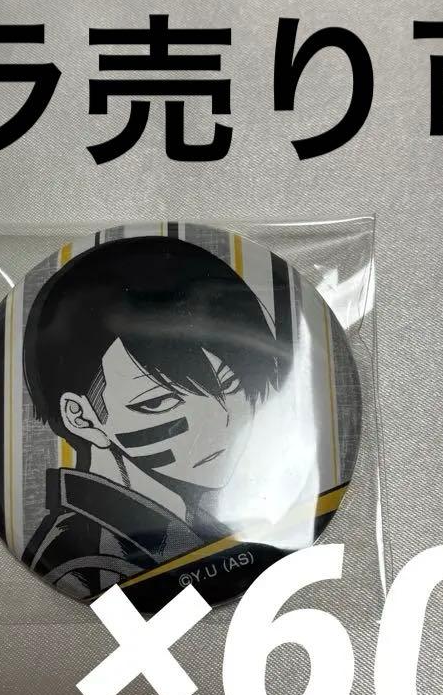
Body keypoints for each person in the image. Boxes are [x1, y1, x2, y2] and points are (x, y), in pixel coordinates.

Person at [21, 235, 289, 600]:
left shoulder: (191, 519)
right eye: (160, 403)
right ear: (82, 417)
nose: (221, 423)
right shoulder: (91, 562)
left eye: (230, 384)